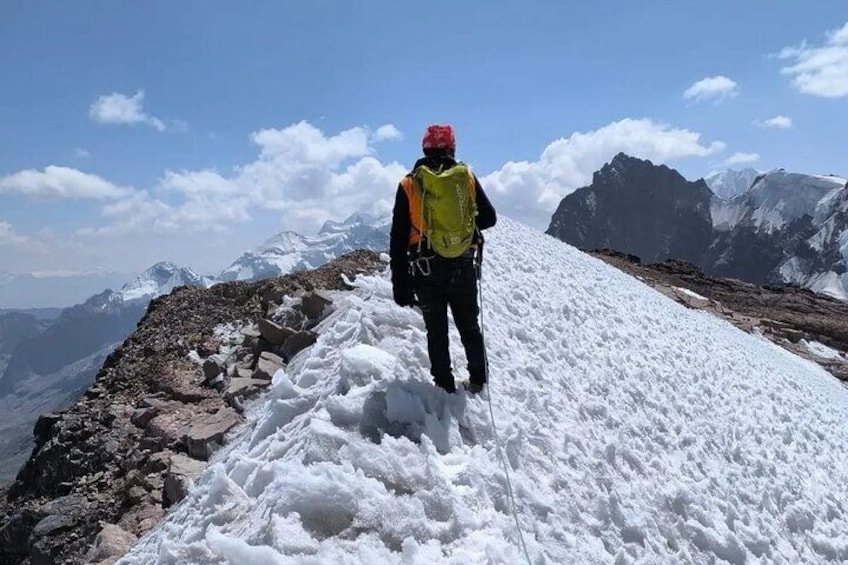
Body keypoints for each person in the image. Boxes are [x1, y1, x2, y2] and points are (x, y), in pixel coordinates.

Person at [389, 124, 497, 394]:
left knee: (436, 331)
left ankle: (444, 387)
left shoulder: (409, 184)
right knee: (469, 325)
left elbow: (397, 239)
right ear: (452, 148)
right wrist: (459, 230)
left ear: (424, 148)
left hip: (425, 269)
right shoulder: (466, 178)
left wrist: (400, 285)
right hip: (463, 263)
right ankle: (478, 380)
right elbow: (489, 217)